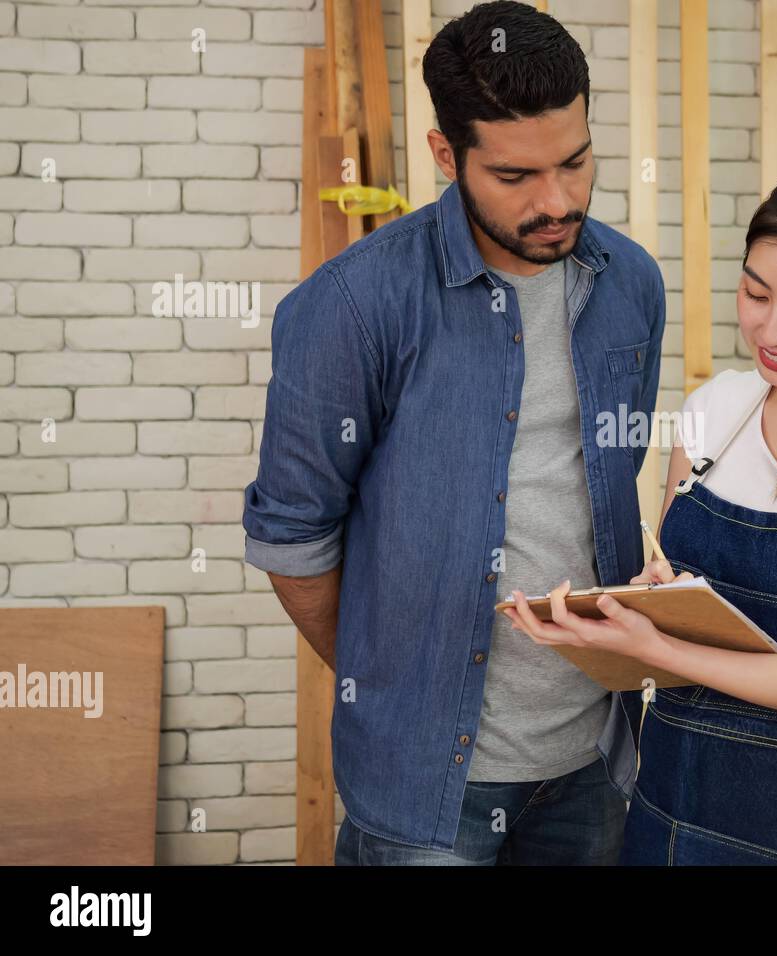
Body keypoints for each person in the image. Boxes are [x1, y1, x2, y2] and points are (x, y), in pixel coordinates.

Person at [243, 0, 664, 865]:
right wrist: (398, 683)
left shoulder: (632, 286)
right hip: (426, 787)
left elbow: (608, 479)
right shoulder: (355, 305)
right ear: (447, 155)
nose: (557, 200)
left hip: (596, 763)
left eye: (575, 162)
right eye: (516, 177)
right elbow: (292, 541)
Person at [506, 166, 777, 865]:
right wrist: (615, 617)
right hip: (674, 793)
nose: (772, 329)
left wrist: (657, 648)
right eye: (756, 292)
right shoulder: (718, 409)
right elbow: (676, 594)